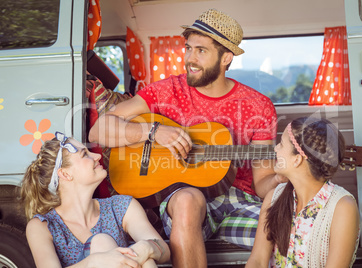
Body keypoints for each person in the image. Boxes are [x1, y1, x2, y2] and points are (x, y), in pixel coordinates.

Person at [89, 8, 285, 268]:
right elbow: (98, 130)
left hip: (241, 202)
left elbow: (262, 183)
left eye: (201, 51)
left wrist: (285, 175)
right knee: (186, 201)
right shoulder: (166, 90)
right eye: (188, 48)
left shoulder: (258, 106)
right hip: (186, 199)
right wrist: (152, 131)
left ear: (226, 58)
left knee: (293, 234)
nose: (190, 58)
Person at [20, 132, 170, 268]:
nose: (97, 156)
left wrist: (146, 247)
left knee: (145, 256)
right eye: (85, 154)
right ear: (65, 174)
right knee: (101, 242)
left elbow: (164, 251)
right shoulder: (42, 226)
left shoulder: (120, 206)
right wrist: (93, 262)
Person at [246, 117, 360, 268]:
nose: (275, 149)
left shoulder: (343, 207)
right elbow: (258, 261)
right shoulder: (273, 198)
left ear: (297, 159)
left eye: (281, 144)